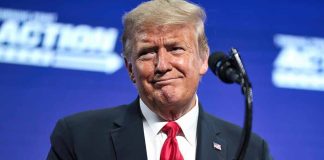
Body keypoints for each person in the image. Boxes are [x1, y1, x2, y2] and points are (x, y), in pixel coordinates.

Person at [47, 0, 272, 160]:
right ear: (129, 69)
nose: (162, 65)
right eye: (147, 52)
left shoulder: (250, 150)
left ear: (203, 60)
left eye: (175, 49)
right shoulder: (78, 137)